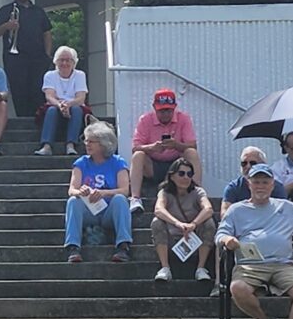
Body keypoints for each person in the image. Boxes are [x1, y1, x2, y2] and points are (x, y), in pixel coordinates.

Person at [217, 162, 293, 319]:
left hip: (283, 264)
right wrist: (227, 240)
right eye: (256, 182)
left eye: (265, 182)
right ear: (249, 184)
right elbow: (220, 233)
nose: (260, 186)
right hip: (250, 265)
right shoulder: (236, 210)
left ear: (272, 184)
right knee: (237, 288)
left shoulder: (287, 207)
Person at [63, 121, 133, 262]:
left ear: (104, 144)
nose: (87, 144)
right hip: (89, 211)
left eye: (91, 141)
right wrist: (80, 192)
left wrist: (104, 193)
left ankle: (123, 246)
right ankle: (73, 248)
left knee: (120, 199)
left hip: (109, 212)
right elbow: (72, 190)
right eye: (86, 141)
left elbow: (125, 190)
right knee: (73, 201)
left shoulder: (118, 162)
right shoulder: (81, 163)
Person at [0, 0, 52, 119]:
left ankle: (38, 120)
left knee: (37, 91)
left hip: (38, 58)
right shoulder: (6, 10)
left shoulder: (38, 11)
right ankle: (23, 121)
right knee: (19, 91)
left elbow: (47, 33)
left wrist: (47, 55)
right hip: (15, 59)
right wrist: (7, 26)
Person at [149, 159, 215, 282]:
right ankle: (165, 268)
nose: (186, 177)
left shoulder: (198, 191)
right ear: (172, 176)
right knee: (156, 222)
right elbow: (158, 209)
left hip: (194, 241)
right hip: (171, 241)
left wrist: (193, 224)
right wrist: (177, 223)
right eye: (181, 173)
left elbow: (208, 209)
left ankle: (201, 268)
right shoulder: (165, 192)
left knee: (209, 222)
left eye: (189, 174)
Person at [130, 87, 200, 202]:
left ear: (175, 107)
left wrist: (176, 145)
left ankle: (197, 194)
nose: (166, 114)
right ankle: (135, 198)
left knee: (191, 153)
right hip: (153, 165)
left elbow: (193, 145)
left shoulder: (184, 119)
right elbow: (135, 147)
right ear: (154, 107)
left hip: (177, 165)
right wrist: (152, 147)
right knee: (138, 155)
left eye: (169, 111)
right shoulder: (145, 120)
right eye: (162, 111)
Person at [38, 47, 88, 155]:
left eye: (68, 60)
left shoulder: (80, 75)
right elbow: (49, 96)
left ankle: (71, 145)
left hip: (74, 106)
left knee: (76, 109)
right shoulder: (49, 75)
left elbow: (80, 98)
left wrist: (68, 105)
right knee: (51, 110)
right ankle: (46, 146)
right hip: (55, 106)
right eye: (61, 60)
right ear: (56, 62)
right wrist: (60, 105)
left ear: (74, 62)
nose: (64, 63)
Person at [220, 147, 290, 215]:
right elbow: (225, 214)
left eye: (253, 163)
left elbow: (284, 213)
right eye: (244, 163)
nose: (248, 166)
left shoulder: (277, 187)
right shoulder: (233, 188)